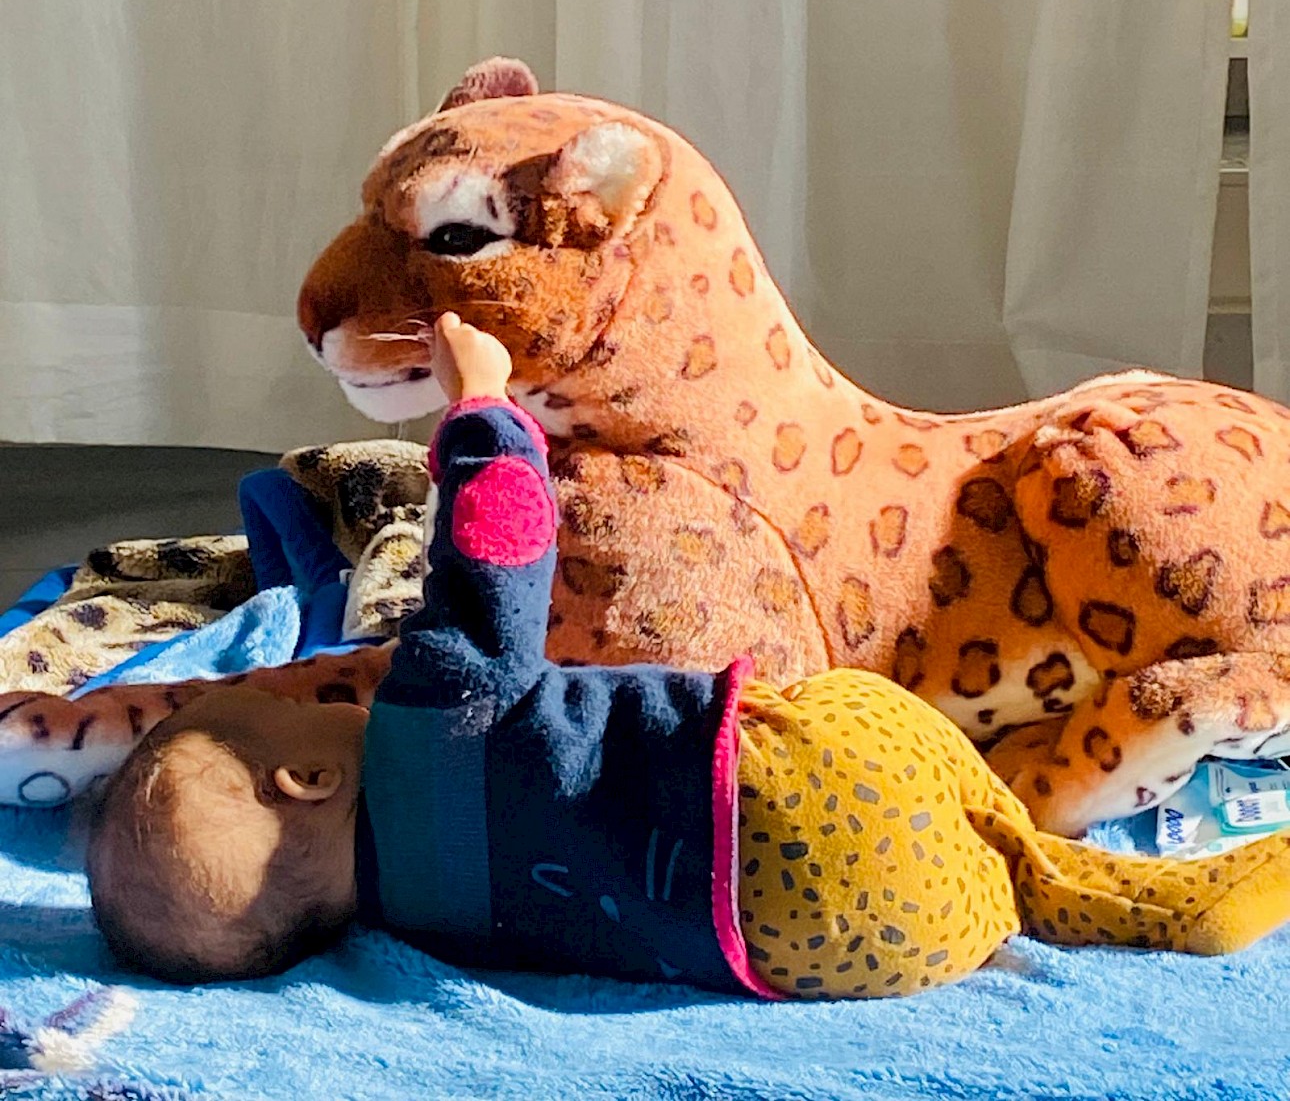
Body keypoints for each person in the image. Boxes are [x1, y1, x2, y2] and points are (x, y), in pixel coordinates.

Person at [86, 316, 1290, 997]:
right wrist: (483, 409)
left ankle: (1070, 892)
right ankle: (1080, 869)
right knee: (843, 700)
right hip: (820, 796)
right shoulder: (429, 713)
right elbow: (492, 555)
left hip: (852, 955)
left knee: (980, 874)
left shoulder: (428, 928)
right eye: (269, 715)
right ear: (306, 779)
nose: (298, 698)